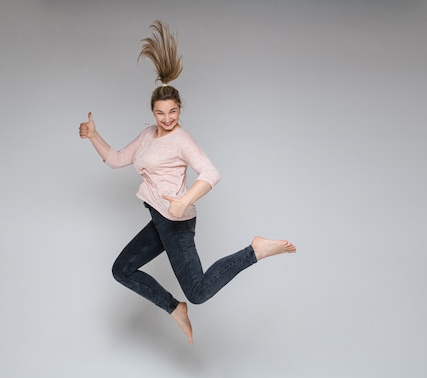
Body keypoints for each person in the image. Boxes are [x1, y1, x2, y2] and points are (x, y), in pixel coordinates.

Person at [78, 20, 296, 345]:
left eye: (173, 111)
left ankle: (255, 250)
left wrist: (182, 201)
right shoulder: (148, 135)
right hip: (158, 218)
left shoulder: (182, 140)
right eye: (161, 113)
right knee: (121, 270)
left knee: (198, 291)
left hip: (176, 222)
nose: (167, 118)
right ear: (153, 112)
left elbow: (210, 173)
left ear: (180, 110)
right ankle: (173, 307)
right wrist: (94, 136)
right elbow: (116, 159)